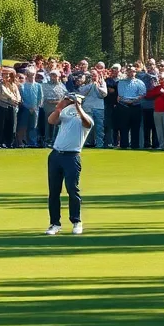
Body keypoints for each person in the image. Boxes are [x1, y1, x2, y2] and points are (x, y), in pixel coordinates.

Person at [45, 90, 93, 235]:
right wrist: (60, 106)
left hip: (72, 157)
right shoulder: (65, 114)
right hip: (56, 155)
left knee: (72, 189)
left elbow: (87, 122)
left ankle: (76, 221)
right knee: (54, 191)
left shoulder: (86, 118)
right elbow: (52, 121)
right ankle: (54, 224)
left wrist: (78, 106)